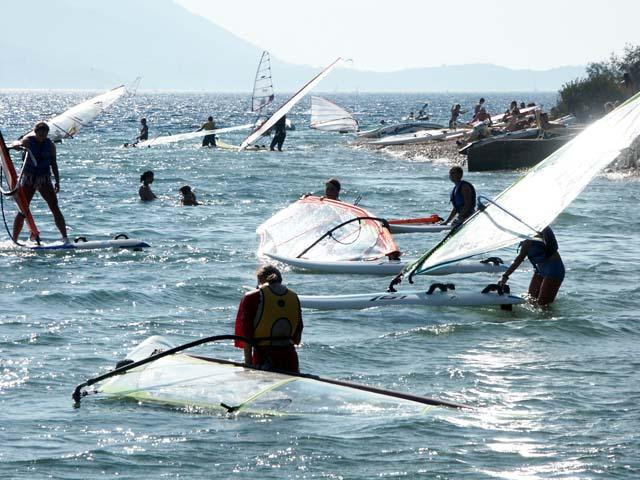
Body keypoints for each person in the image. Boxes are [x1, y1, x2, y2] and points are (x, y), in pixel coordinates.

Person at [234, 265, 303, 372]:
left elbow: (246, 334)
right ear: (280, 280)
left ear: (260, 280)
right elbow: (297, 339)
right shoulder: (294, 297)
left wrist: (248, 364)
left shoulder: (252, 297)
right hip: (290, 359)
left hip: (264, 358)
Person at [11, 122, 68, 243]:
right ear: (35, 132)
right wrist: (16, 145)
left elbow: (54, 163)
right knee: (23, 210)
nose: (42, 136)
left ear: (47, 133)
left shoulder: (50, 145)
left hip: (44, 179)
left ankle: (65, 238)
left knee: (54, 207)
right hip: (29, 179)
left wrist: (57, 181)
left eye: (45, 133)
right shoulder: (28, 141)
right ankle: (14, 240)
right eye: (40, 133)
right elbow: (17, 142)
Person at [498, 226, 564, 305]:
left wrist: (505, 276)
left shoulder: (539, 230)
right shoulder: (527, 234)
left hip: (553, 270)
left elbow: (519, 259)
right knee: (531, 299)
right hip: (539, 270)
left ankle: (549, 316)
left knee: (543, 305)